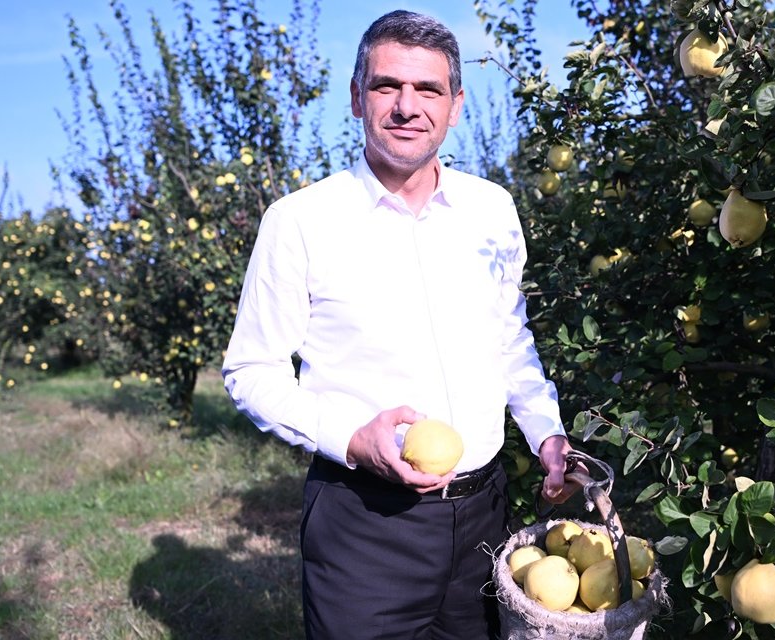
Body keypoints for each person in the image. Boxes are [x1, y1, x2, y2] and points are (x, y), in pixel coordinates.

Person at [221, 10, 578, 639]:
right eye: (387, 86)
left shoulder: (491, 209)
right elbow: (251, 372)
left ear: (456, 105)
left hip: (484, 521)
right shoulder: (301, 220)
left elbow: (508, 337)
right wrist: (352, 438)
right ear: (357, 99)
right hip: (365, 522)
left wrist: (545, 433)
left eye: (428, 90)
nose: (406, 106)